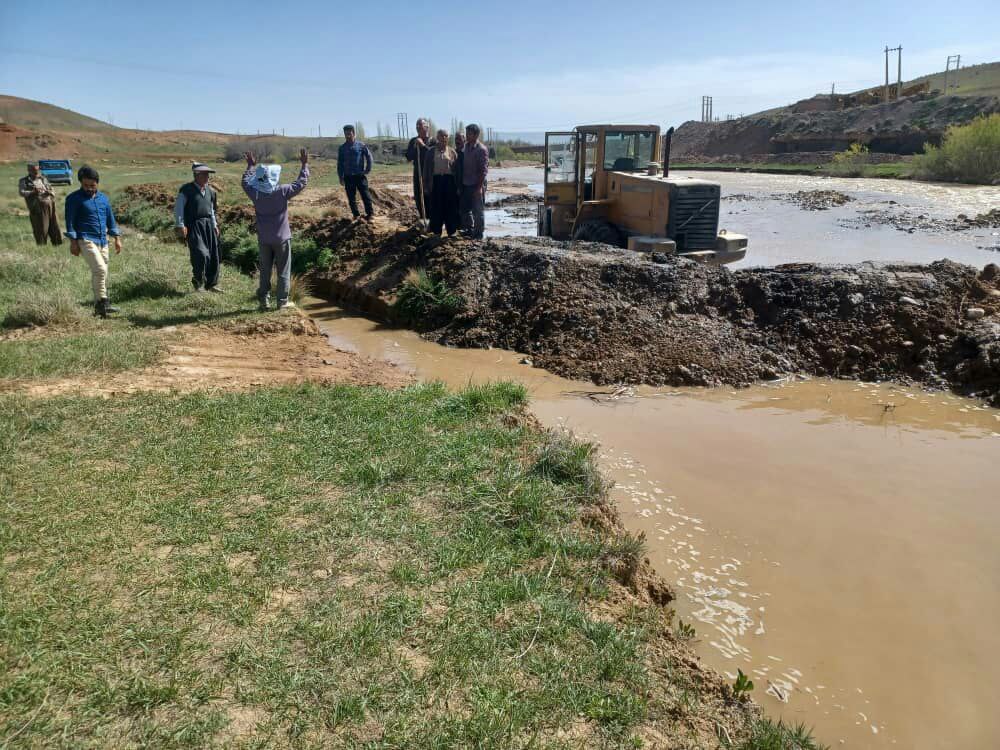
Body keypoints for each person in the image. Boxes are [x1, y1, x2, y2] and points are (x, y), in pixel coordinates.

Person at [242, 148, 309, 311]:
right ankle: (282, 301)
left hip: (264, 239)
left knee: (265, 270)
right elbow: (301, 183)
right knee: (283, 271)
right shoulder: (282, 191)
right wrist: (304, 165)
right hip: (282, 239)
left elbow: (244, 182)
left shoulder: (255, 193)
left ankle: (264, 301)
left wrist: (250, 166)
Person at [64, 166, 122, 318]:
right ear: (81, 183)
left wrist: (117, 238)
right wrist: (73, 242)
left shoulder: (104, 199)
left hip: (103, 240)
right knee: (100, 269)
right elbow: (69, 222)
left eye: (92, 185)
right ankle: (103, 301)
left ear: (97, 183)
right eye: (85, 185)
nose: (89, 188)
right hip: (85, 239)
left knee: (102, 272)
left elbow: (111, 220)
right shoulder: (73, 199)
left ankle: (100, 307)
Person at [174, 163, 223, 293]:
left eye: (208, 174)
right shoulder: (186, 190)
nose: (207, 177)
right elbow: (179, 209)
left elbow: (211, 210)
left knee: (213, 255)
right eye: (205, 174)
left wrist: (214, 225)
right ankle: (199, 283)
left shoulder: (210, 191)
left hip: (208, 226)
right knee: (200, 254)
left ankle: (211, 284)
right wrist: (180, 225)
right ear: (197, 175)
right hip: (193, 226)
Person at [422, 128, 460, 236]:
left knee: (450, 206)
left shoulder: (452, 151)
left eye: (446, 136)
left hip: (449, 182)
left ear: (448, 138)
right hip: (436, 181)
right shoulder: (431, 152)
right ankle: (436, 231)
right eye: (441, 136)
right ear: (437, 137)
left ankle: (451, 231)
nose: (444, 138)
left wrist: (457, 186)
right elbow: (426, 170)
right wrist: (425, 185)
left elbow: (456, 170)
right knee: (436, 206)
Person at [18, 164, 62, 245]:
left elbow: (51, 189)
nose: (37, 172)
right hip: (37, 208)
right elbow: (22, 192)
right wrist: (32, 192)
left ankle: (57, 246)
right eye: (34, 170)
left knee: (55, 227)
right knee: (41, 229)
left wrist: (50, 192)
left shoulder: (43, 179)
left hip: (50, 205)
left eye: (38, 170)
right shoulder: (24, 181)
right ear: (29, 170)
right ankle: (42, 247)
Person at [337, 125, 374, 220]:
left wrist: (368, 169)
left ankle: (370, 214)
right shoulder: (342, 148)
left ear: (354, 133)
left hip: (360, 175)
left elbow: (369, 157)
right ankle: (356, 215)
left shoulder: (361, 145)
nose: (348, 136)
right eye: (346, 134)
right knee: (351, 198)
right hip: (348, 177)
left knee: (366, 195)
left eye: (349, 134)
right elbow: (340, 164)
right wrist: (340, 177)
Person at [460, 123, 489, 239]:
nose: (467, 135)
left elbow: (483, 171)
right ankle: (469, 229)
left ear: (476, 135)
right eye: (466, 133)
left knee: (478, 210)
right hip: (466, 183)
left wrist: (479, 188)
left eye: (469, 134)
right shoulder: (465, 147)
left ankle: (478, 233)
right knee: (465, 209)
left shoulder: (481, 149)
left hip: (477, 183)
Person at [405, 117, 433, 218]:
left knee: (430, 196)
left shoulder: (433, 140)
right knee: (418, 195)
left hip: (430, 173)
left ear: (427, 127)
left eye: (420, 125)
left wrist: (423, 145)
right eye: (417, 126)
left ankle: (432, 220)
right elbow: (408, 157)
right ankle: (423, 217)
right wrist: (414, 146)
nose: (418, 127)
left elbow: (433, 155)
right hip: (418, 172)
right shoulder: (413, 140)